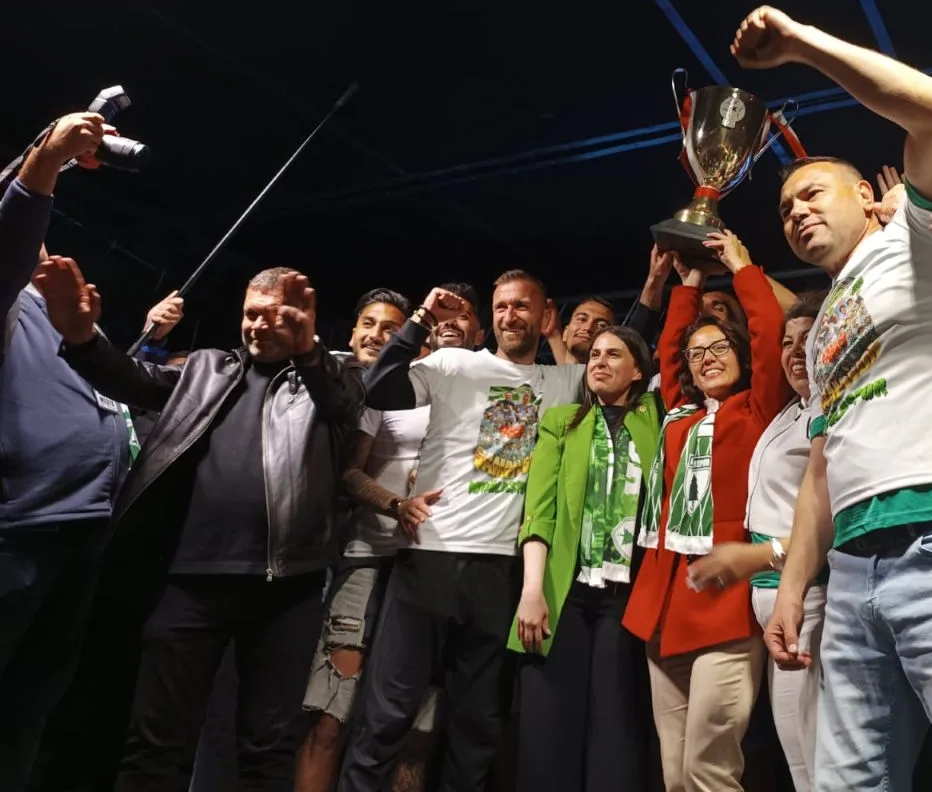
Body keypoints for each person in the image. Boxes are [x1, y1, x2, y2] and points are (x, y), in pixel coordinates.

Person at [733, 4, 932, 791]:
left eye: (813, 194)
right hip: (852, 570)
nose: (798, 212)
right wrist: (793, 588)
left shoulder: (921, 237)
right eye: (785, 210)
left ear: (865, 194)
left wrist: (801, 44)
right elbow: (822, 463)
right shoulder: (820, 330)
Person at [37, 260, 362, 792]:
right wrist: (82, 338)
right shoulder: (208, 368)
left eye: (274, 315)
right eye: (251, 314)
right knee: (156, 740)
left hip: (287, 589)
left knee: (267, 748)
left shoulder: (330, 376)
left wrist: (308, 352)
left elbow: (344, 405)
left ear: (304, 320)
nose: (259, 325)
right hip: (191, 580)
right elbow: (134, 379)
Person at [339, 270, 585, 792]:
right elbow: (378, 389)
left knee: (476, 728)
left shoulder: (561, 381)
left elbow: (626, 365)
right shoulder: (453, 363)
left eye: (522, 306)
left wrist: (653, 287)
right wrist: (421, 318)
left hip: (501, 570)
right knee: (386, 715)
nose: (510, 316)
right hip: (429, 556)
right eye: (501, 307)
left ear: (545, 315)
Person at [622, 231, 790, 792]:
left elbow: (768, 333)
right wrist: (689, 282)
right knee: (674, 774)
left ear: (740, 356)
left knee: (707, 769)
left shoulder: (757, 409)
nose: (706, 359)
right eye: (698, 355)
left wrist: (741, 267)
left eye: (719, 348)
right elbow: (670, 348)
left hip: (726, 600)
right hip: (666, 601)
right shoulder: (681, 415)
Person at [296, 286, 480, 792]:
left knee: (415, 729)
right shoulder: (392, 390)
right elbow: (349, 473)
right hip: (368, 557)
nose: (449, 329)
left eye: (462, 321)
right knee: (331, 714)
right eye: (440, 322)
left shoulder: (479, 398)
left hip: (432, 567)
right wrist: (396, 505)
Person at [0, 111, 135, 791]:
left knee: (27, 707)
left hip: (79, 533)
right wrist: (45, 160)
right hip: (17, 532)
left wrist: (84, 331)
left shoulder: (50, 306)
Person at [681, 292, 827, 792]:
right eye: (787, 342)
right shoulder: (790, 412)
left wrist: (759, 555)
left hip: (814, 596)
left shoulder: (831, 411)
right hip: (771, 601)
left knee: (826, 762)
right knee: (800, 764)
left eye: (808, 340)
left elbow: (830, 523)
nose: (794, 352)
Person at [510, 325, 661, 792]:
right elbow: (539, 512)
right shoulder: (561, 421)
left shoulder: (657, 418)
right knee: (549, 728)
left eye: (614, 355)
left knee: (616, 731)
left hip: (626, 599)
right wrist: (532, 590)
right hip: (564, 594)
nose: (599, 361)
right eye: (594, 354)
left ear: (638, 371)